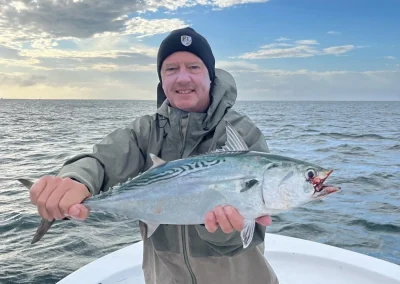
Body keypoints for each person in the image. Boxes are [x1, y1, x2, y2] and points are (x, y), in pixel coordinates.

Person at [29, 27, 279, 284]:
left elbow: (251, 232)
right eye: (171, 69)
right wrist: (76, 179)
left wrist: (217, 227)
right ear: (161, 79)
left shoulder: (241, 133)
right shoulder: (145, 131)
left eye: (194, 67)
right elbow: (102, 160)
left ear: (211, 76)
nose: (182, 78)